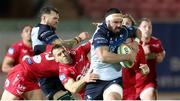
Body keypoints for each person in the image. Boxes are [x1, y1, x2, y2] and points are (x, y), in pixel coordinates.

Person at [31, 6, 89, 100]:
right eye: (54, 18)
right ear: (44, 18)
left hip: (52, 70)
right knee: (64, 97)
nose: (57, 21)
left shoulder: (39, 28)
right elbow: (63, 45)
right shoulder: (44, 30)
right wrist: (79, 38)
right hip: (46, 73)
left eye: (58, 19)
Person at [84, 8, 137, 100]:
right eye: (115, 22)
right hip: (95, 79)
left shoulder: (124, 30)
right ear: (107, 21)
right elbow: (103, 57)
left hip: (114, 79)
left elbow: (137, 31)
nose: (119, 25)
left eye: (121, 22)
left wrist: (136, 43)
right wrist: (128, 56)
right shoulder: (100, 33)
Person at [1, 45, 70, 100]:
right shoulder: (66, 66)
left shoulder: (55, 48)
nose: (63, 55)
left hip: (33, 78)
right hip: (22, 73)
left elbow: (37, 47)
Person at [121, 14, 150, 100]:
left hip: (129, 90)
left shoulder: (139, 48)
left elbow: (142, 69)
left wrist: (145, 70)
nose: (124, 25)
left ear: (133, 27)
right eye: (122, 23)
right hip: (112, 86)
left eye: (127, 23)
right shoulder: (112, 43)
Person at [137, 18, 166, 100]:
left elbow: (160, 57)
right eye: (144, 26)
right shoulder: (133, 42)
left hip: (148, 82)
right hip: (132, 84)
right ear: (138, 28)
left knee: (150, 95)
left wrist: (160, 55)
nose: (147, 29)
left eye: (150, 27)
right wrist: (142, 53)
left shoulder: (156, 42)